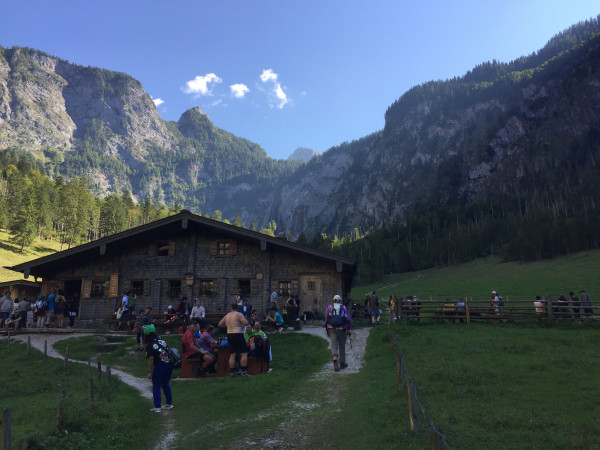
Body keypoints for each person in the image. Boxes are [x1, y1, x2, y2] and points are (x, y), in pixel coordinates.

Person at [144, 324, 174, 412]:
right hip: (169, 364)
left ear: (146, 334)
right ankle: (169, 403)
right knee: (165, 384)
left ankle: (157, 407)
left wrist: (149, 371)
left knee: (156, 386)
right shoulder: (161, 341)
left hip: (159, 366)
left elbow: (151, 358)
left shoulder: (149, 344)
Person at [218, 303, 250, 377]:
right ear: (237, 308)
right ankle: (244, 371)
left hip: (229, 334)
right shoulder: (239, 314)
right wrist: (246, 322)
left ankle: (232, 372)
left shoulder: (227, 315)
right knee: (243, 353)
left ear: (231, 308)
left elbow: (219, 324)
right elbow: (245, 323)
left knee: (232, 354)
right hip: (238, 334)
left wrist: (227, 325)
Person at [325, 294, 351, 372]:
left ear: (333, 300)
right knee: (342, 346)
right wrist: (348, 329)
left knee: (334, 346)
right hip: (342, 329)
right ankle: (342, 363)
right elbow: (348, 319)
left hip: (331, 329)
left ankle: (335, 363)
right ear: (340, 300)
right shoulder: (343, 308)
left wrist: (327, 330)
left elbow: (326, 318)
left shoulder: (329, 307)